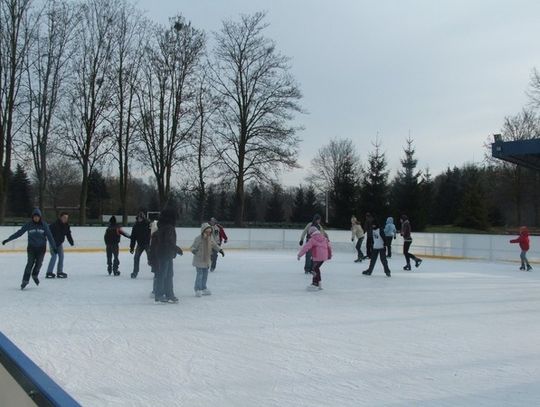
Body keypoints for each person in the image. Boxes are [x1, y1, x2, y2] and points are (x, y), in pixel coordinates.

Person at [2, 208, 57, 290]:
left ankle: (35, 274)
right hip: (31, 248)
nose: (36, 218)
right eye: (34, 216)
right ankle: (25, 280)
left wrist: (54, 247)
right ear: (32, 217)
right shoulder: (29, 225)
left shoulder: (44, 225)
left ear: (40, 217)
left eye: (37, 216)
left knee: (39, 263)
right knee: (29, 263)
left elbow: (50, 236)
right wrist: (8, 239)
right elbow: (19, 233)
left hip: (41, 248)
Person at [151, 209, 183, 303]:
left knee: (167, 274)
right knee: (164, 275)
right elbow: (168, 241)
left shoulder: (162, 226)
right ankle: (160, 295)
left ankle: (168, 294)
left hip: (163, 253)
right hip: (165, 254)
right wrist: (177, 249)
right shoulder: (169, 227)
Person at [191, 223, 224, 297]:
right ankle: (197, 289)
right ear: (203, 231)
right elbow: (193, 247)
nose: (208, 233)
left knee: (205, 275)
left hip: (206, 259)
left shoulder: (210, 238)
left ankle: (203, 288)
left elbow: (215, 245)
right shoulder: (198, 238)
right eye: (207, 232)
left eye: (210, 232)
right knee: (199, 275)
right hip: (199, 259)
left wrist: (220, 250)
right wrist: (194, 250)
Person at [298, 226, 332, 290]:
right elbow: (329, 247)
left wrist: (299, 255)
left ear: (311, 233)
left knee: (315, 269)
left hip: (317, 256)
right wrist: (329, 255)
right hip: (324, 256)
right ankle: (315, 283)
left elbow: (306, 247)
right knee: (315, 269)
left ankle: (319, 284)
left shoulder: (312, 239)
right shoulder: (324, 238)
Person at [46, 212, 75, 279]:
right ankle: (49, 272)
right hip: (53, 243)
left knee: (61, 257)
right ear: (60, 217)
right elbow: (49, 235)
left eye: (67, 218)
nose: (65, 219)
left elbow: (68, 234)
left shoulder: (66, 225)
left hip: (59, 243)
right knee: (54, 256)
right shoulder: (54, 225)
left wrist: (71, 241)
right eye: (64, 217)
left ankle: (59, 272)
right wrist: (53, 246)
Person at [129, 212, 151, 279]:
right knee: (136, 258)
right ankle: (135, 272)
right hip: (140, 244)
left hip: (147, 244)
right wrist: (132, 247)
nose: (139, 219)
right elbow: (133, 237)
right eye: (138, 218)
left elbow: (153, 232)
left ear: (143, 218)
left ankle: (156, 272)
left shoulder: (148, 224)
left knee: (151, 259)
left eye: (140, 218)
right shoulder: (135, 226)